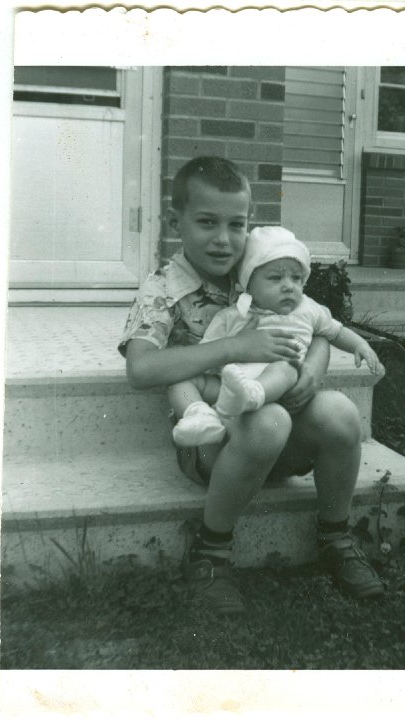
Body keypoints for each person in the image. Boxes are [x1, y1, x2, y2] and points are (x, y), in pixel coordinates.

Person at [119, 156, 385, 616]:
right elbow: (141, 370)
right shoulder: (162, 289)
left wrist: (314, 370)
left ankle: (336, 536)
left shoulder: (263, 264)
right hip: (212, 439)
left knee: (339, 411)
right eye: (206, 222)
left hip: (281, 425)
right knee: (269, 418)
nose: (223, 239)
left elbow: (316, 323)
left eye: (236, 224)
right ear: (174, 220)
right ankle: (210, 552)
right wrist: (233, 347)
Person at [169, 225, 381, 448]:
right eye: (276, 278)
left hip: (281, 388)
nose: (289, 286)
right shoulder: (232, 315)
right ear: (249, 282)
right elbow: (207, 353)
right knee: (182, 380)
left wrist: (361, 345)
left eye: (297, 278)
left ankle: (254, 394)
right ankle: (199, 416)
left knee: (285, 367)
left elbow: (335, 331)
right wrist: (230, 350)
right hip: (231, 388)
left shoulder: (308, 309)